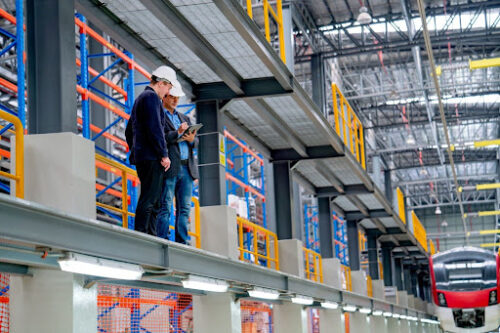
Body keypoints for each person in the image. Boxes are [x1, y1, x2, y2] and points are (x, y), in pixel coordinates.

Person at [125, 65, 177, 236]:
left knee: (151, 198)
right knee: (150, 198)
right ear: (162, 83)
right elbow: (156, 129)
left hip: (143, 156)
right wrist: (163, 154)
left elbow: (128, 130)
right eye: (168, 88)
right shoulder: (151, 98)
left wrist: (137, 149)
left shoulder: (141, 98)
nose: (168, 93)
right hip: (152, 157)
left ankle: (149, 234)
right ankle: (143, 235)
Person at [156, 83, 199, 244]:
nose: (175, 100)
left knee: (185, 208)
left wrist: (192, 139)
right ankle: (163, 240)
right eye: (172, 97)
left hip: (187, 168)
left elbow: (196, 143)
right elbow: (159, 138)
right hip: (170, 168)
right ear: (165, 96)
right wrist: (178, 133)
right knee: (166, 206)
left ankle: (183, 241)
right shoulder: (158, 116)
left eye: (177, 98)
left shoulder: (185, 118)